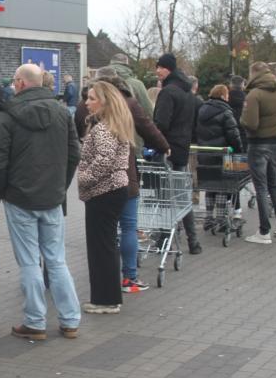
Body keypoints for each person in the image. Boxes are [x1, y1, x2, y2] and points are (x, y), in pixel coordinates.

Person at [0, 63, 82, 341]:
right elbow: (74, 153)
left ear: (20, 82)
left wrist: (1, 189)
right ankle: (70, 320)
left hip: (19, 197)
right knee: (56, 260)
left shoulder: (7, 114)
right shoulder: (62, 112)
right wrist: (60, 185)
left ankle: (35, 321)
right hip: (52, 196)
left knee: (29, 262)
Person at [78, 68, 169, 294]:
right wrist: (164, 147)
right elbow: (147, 127)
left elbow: (79, 130)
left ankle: (105, 278)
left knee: (105, 232)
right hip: (124, 174)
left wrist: (83, 176)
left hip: (98, 185)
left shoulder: (86, 107)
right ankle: (129, 277)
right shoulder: (127, 104)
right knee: (128, 226)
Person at [77, 82, 134, 315]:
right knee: (106, 245)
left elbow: (104, 159)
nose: (87, 102)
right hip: (112, 190)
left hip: (104, 191)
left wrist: (84, 178)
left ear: (104, 102)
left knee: (101, 247)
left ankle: (105, 300)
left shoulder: (103, 128)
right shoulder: (114, 124)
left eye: (92, 98)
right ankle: (108, 298)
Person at [240, 61, 276, 244]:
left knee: (261, 188)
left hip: (258, 144)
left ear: (253, 74)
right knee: (275, 187)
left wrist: (242, 120)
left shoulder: (254, 94)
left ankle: (264, 231)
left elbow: (251, 123)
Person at [152, 53, 202, 254]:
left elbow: (161, 124)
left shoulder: (168, 92)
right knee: (182, 196)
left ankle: (164, 240)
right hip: (182, 149)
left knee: (165, 197)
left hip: (167, 150)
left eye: (160, 67)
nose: (157, 71)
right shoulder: (188, 93)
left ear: (169, 69)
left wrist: (153, 142)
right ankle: (193, 241)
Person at [195, 84, 242, 230]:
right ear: (222, 96)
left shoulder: (201, 109)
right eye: (227, 95)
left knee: (209, 185)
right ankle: (221, 219)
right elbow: (233, 134)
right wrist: (239, 149)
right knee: (222, 186)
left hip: (204, 153)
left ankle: (209, 218)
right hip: (222, 154)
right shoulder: (225, 112)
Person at [109, 53, 154, 121]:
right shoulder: (137, 84)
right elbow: (147, 109)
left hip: (102, 125)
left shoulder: (100, 82)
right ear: (127, 65)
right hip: (129, 124)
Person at [228, 75, 248, 154]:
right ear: (243, 84)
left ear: (231, 85)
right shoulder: (248, 99)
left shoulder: (226, 98)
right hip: (244, 134)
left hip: (229, 134)